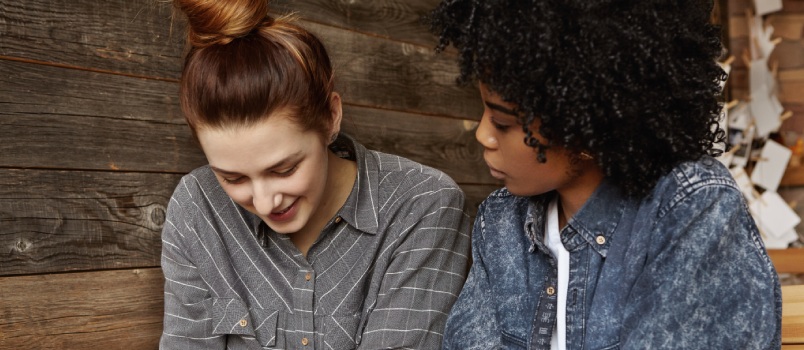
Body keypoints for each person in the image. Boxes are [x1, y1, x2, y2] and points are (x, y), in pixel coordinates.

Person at [429, 0, 782, 349]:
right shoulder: (501, 220)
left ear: (582, 123)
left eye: (503, 122)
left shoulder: (690, 207)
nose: (482, 135)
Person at [159, 0, 471, 348]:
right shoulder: (197, 207)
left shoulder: (421, 205)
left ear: (331, 118)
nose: (264, 201)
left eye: (284, 169)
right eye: (233, 178)